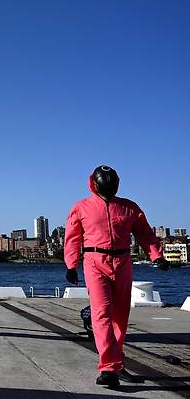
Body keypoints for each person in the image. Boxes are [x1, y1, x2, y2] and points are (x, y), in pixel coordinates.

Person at [64, 165, 169, 388]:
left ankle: (115, 364)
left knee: (120, 316)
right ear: (95, 183)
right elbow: (72, 238)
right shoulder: (81, 207)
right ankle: (109, 368)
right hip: (94, 262)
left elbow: (145, 234)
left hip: (122, 262)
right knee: (101, 313)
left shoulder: (129, 208)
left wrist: (156, 256)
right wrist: (71, 265)